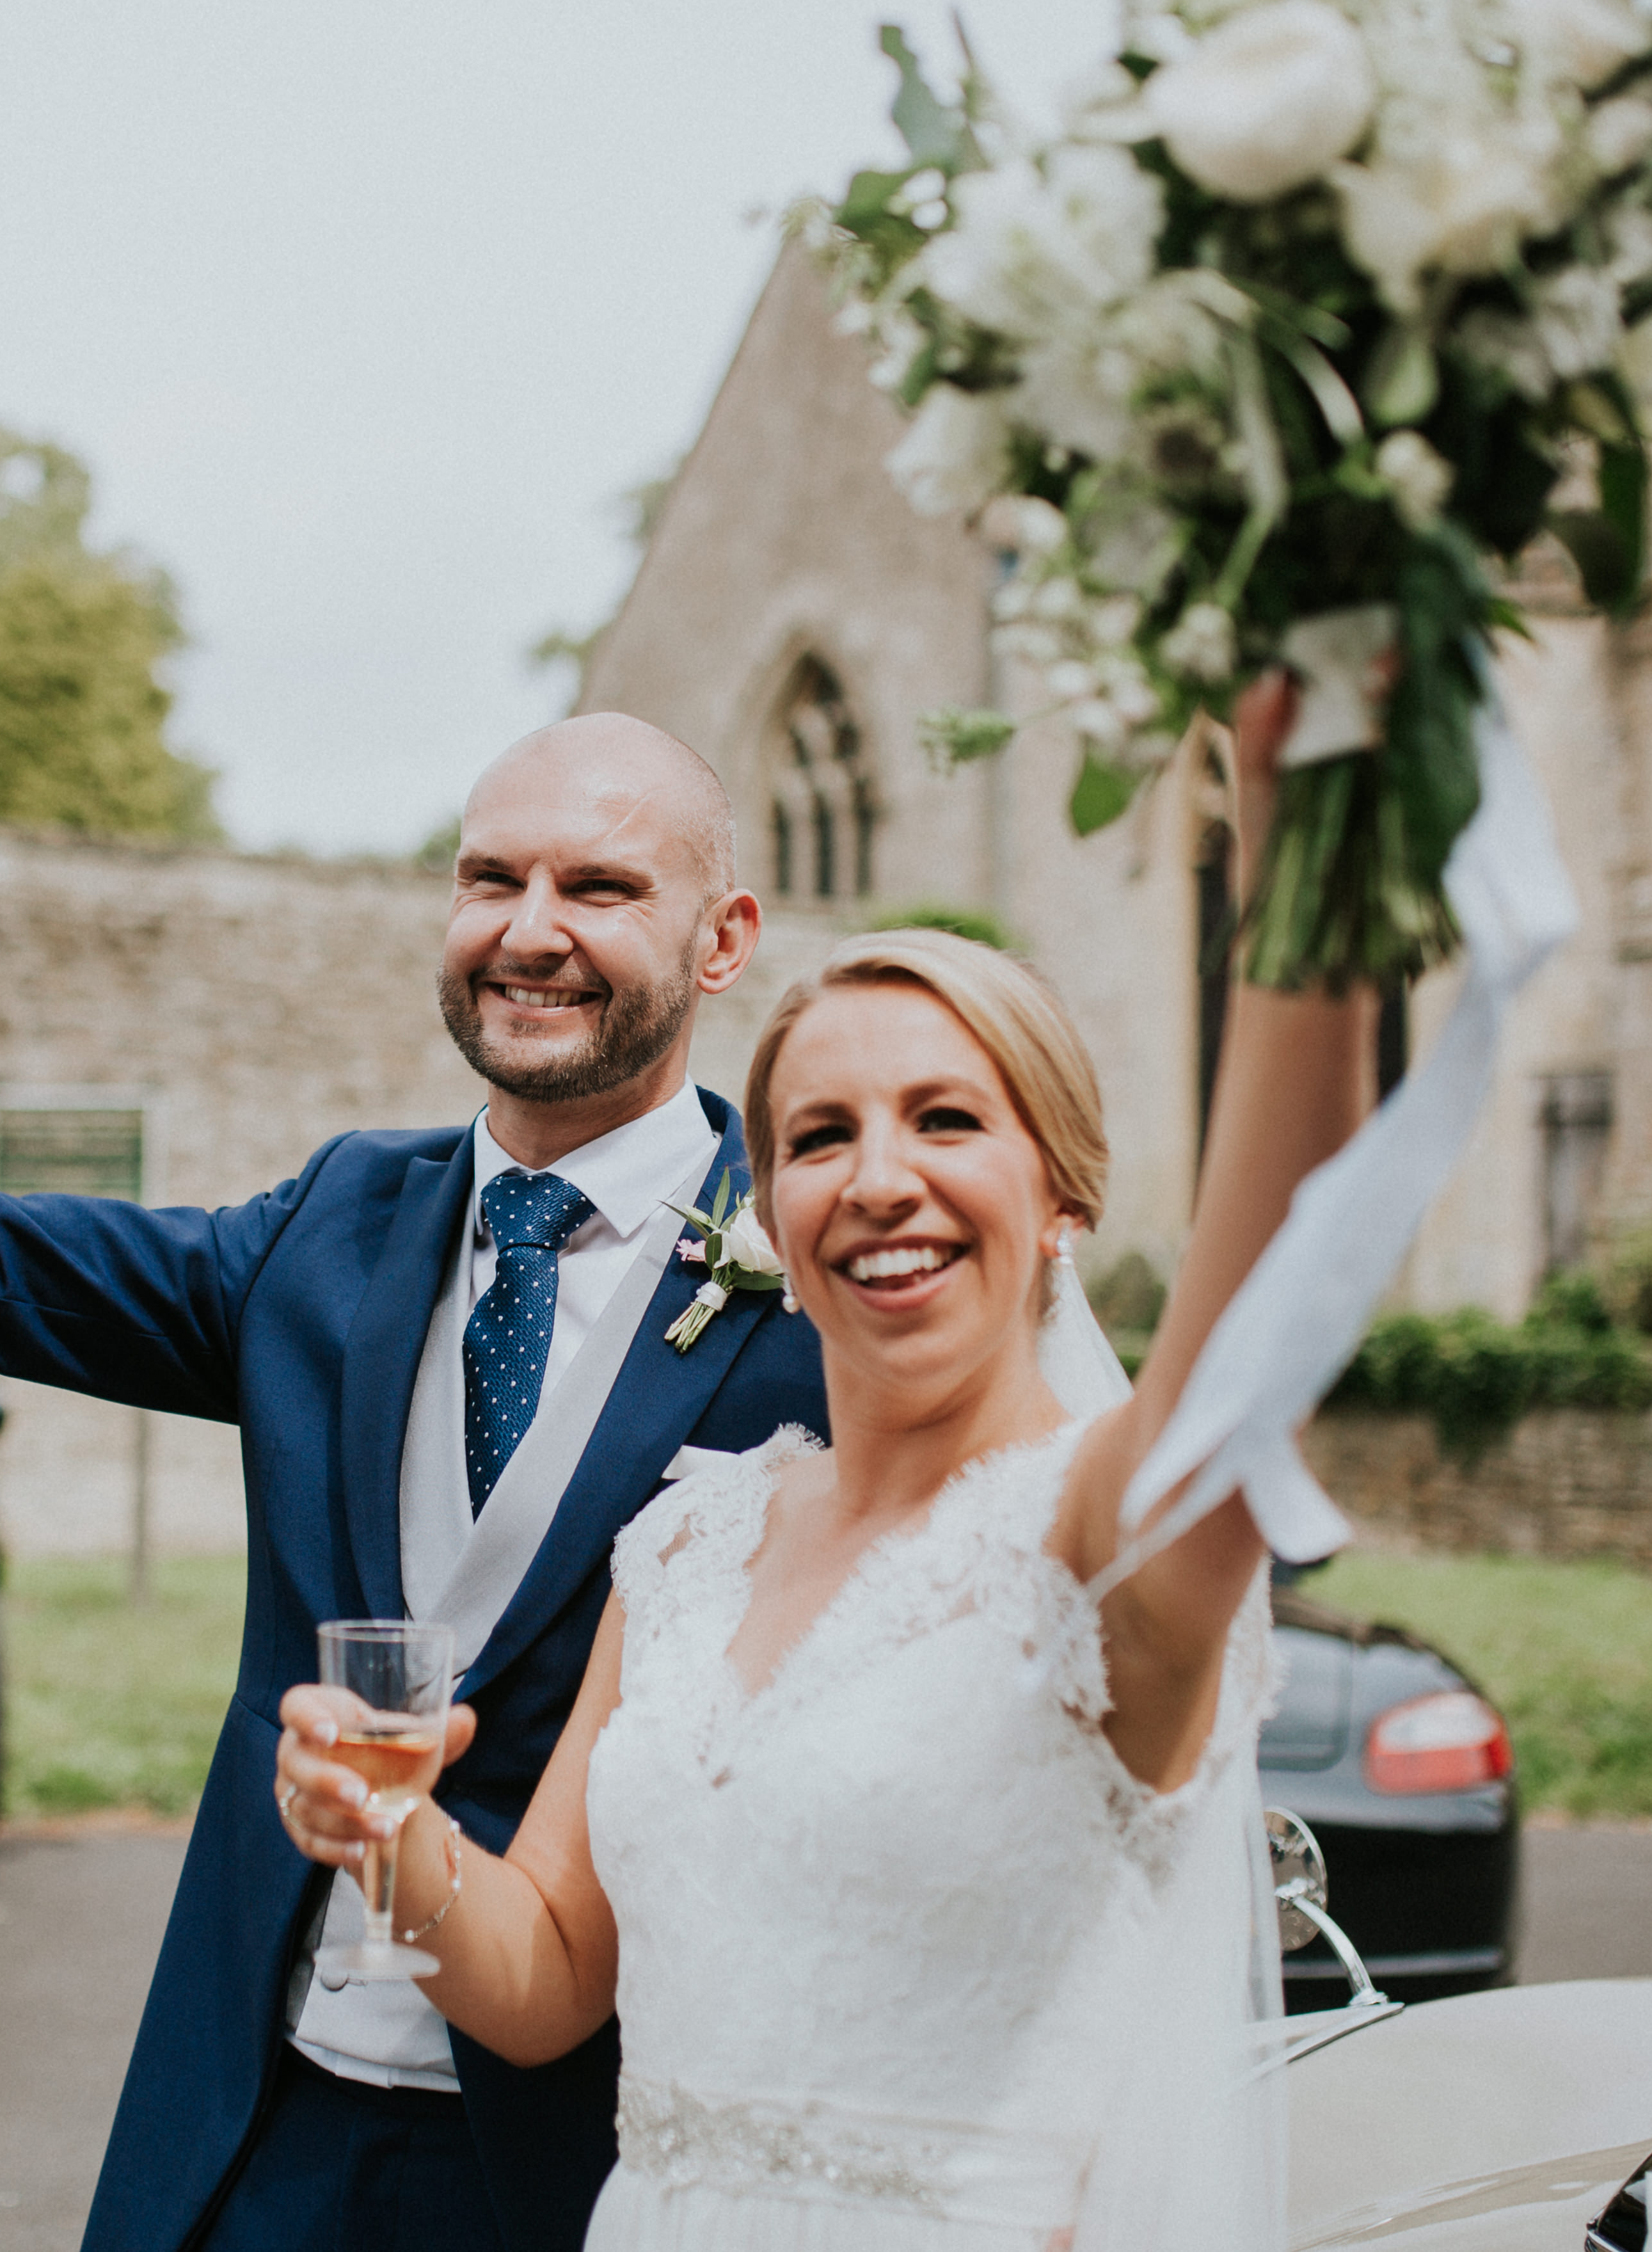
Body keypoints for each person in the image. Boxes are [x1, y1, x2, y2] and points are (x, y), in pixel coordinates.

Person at [0, 648, 831, 2252]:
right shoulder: (328, 1230)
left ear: (721, 938)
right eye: (487, 878)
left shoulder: (813, 1291)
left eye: (597, 886)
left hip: (597, 2159)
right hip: (258, 2120)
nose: (528, 931)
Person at [269, 673, 1370, 2248]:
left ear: (1060, 1195)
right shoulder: (686, 1543)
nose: (880, 1180)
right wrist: (388, 1839)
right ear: (767, 1214)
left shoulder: (1102, 1538)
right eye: (821, 1135)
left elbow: (1277, 1295)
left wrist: (1302, 807)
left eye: (944, 1121)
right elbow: (544, 1983)